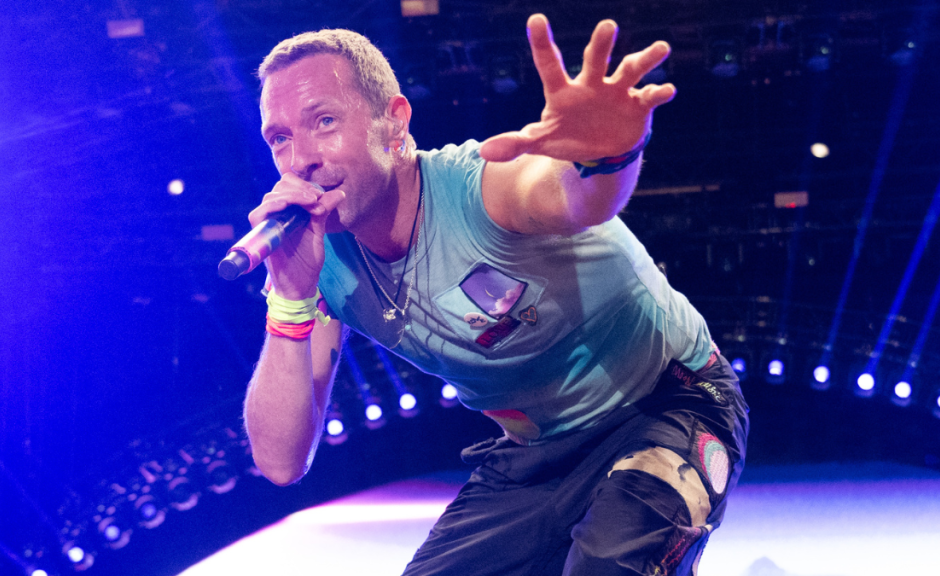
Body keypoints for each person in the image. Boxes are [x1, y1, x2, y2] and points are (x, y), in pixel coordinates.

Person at [242, 13, 749, 576]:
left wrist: (608, 156)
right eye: (280, 138)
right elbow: (281, 461)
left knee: (610, 563)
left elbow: (574, 195)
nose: (300, 157)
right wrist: (288, 302)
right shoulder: (317, 262)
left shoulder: (483, 188)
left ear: (394, 123)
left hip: (672, 404)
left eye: (325, 121)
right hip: (538, 454)